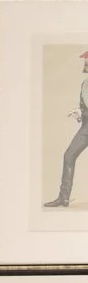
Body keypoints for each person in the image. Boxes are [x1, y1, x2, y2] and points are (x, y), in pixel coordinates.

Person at [45, 47, 88, 207]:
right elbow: (85, 106)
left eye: (87, 61)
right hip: (86, 128)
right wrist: (80, 112)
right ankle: (63, 198)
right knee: (69, 156)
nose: (85, 64)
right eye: (85, 61)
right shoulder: (85, 83)